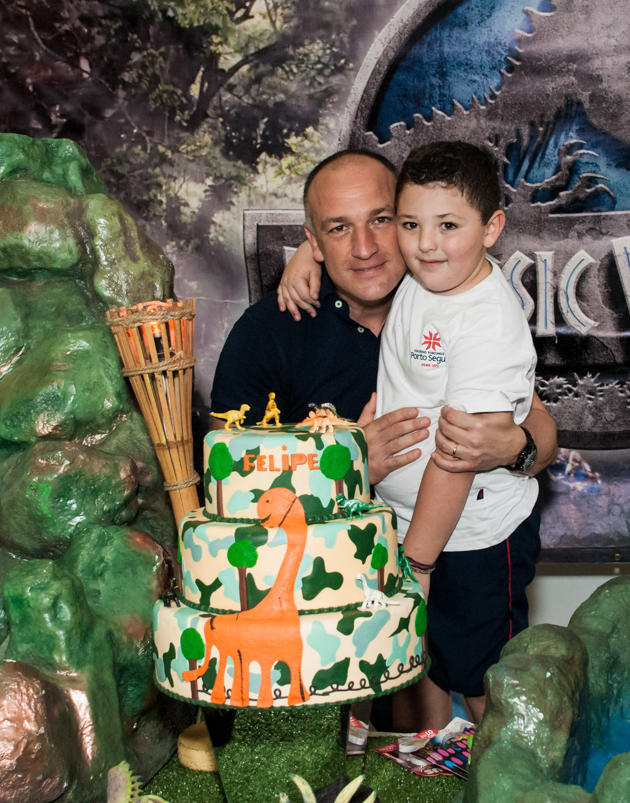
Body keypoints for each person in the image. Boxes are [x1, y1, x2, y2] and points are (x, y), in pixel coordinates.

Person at [274, 143, 542, 731]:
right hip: (405, 526)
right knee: (427, 663)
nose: (424, 244)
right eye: (411, 224)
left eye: (448, 226)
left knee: (479, 674)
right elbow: (359, 246)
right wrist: (304, 258)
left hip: (472, 535)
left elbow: (458, 457)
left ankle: (508, 772)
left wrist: (417, 563)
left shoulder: (486, 322)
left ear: (492, 228)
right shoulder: (428, 275)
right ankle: (429, 763)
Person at [211, 149, 556, 489]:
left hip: (478, 523)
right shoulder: (265, 333)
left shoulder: (448, 295)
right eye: (339, 228)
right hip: (332, 529)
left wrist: (515, 450)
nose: (364, 248)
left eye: (381, 220)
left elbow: (538, 428)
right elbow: (227, 481)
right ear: (314, 242)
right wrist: (344, 470)